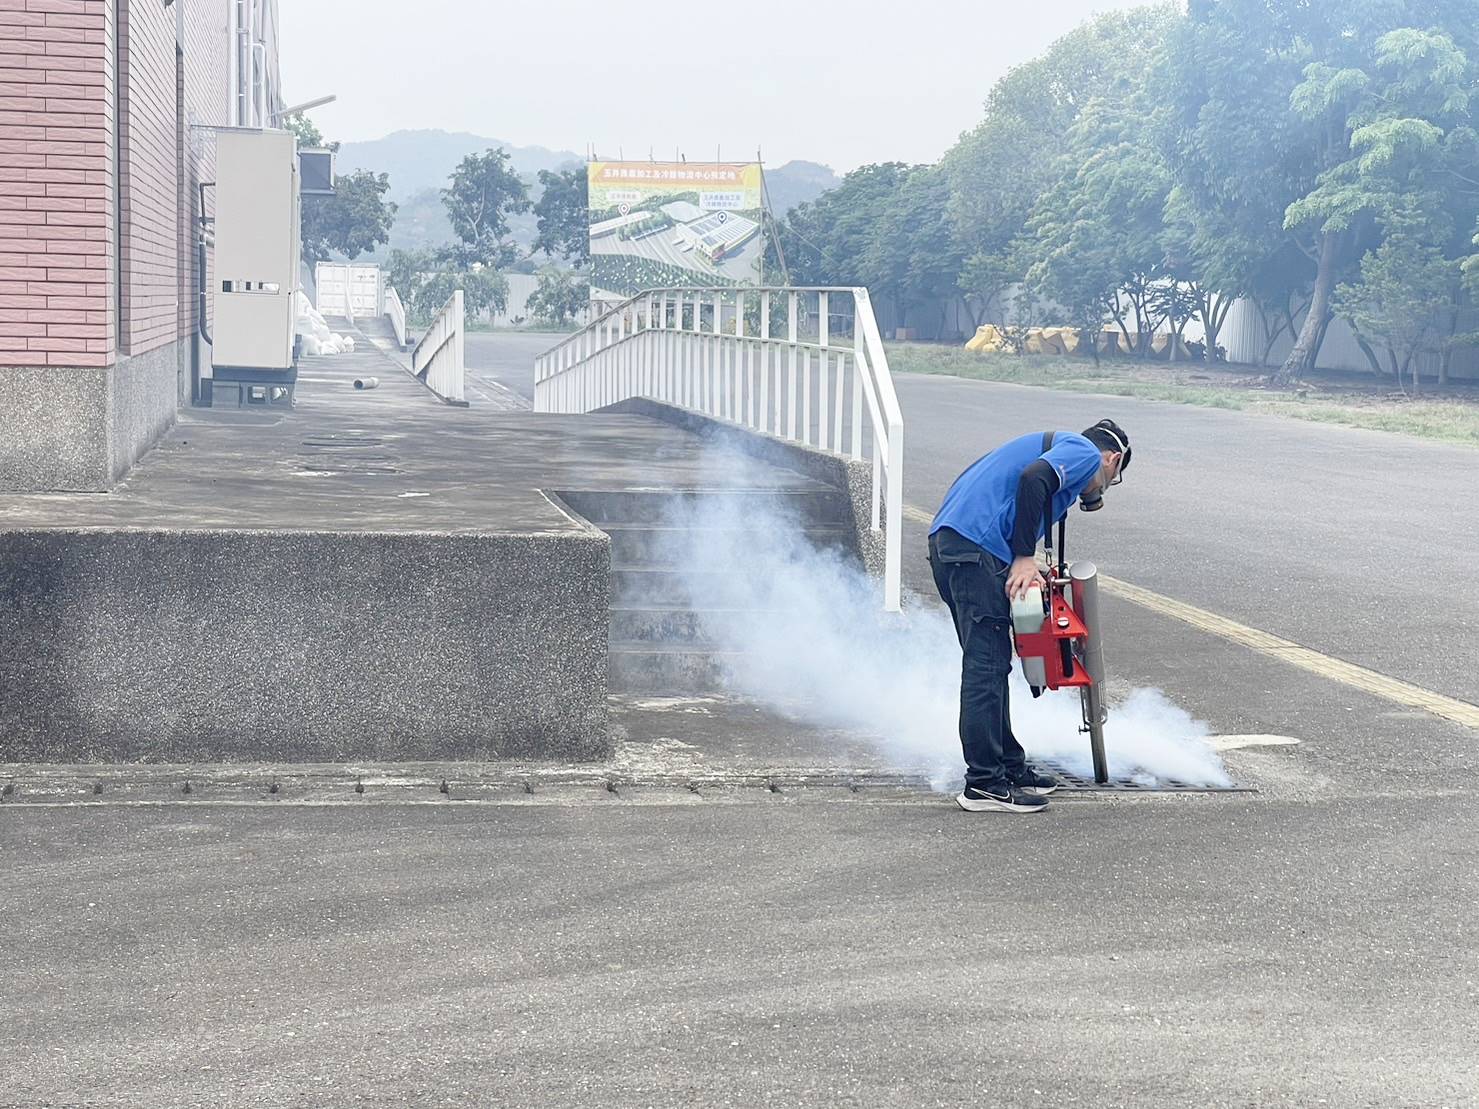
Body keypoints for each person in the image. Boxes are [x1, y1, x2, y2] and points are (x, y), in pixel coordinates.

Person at [928, 419, 1132, 813]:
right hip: (974, 552)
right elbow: (1033, 479)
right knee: (986, 666)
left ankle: (1007, 765)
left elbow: (1010, 491)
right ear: (1113, 459)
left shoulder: (1039, 446)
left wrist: (1013, 559)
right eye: (1111, 478)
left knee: (992, 662)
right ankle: (984, 784)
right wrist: (1022, 556)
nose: (1100, 489)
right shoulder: (1083, 451)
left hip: (956, 547)